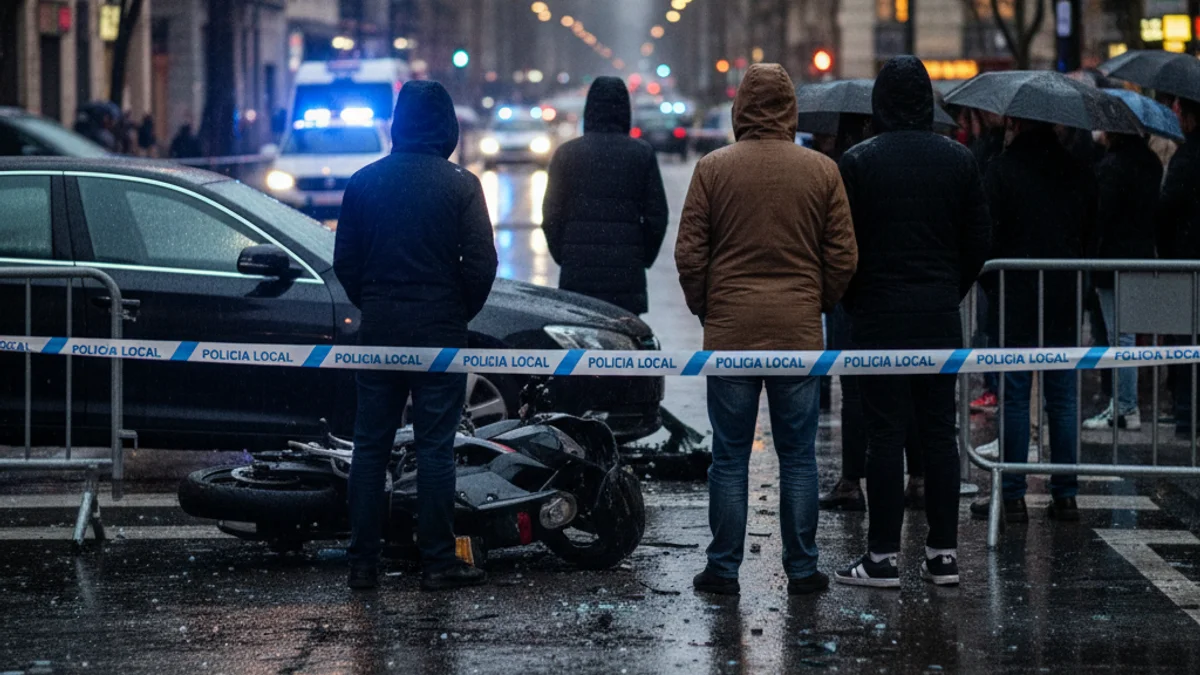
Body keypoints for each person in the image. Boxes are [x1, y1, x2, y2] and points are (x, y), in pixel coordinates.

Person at [676, 63, 857, 597]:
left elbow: (690, 254)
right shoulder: (821, 171)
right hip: (798, 335)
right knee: (797, 456)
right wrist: (815, 302)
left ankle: (724, 568)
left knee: (728, 455)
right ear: (790, 109)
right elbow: (843, 256)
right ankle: (802, 568)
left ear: (739, 108)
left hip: (730, 333)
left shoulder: (713, 169)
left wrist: (708, 307)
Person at [832, 56, 990, 589]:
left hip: (878, 319)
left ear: (879, 102)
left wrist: (857, 299)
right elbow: (977, 244)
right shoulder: (959, 160)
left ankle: (881, 557)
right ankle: (942, 553)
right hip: (939, 319)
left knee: (884, 435)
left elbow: (843, 247)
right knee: (939, 434)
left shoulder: (857, 162)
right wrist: (948, 290)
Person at [334, 81, 498, 591]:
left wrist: (377, 306)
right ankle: (437, 560)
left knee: (370, 447)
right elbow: (482, 264)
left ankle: (363, 562)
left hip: (380, 331)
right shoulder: (460, 185)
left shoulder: (363, 182)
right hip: (440, 336)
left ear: (397, 124)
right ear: (447, 127)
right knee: (434, 448)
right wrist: (455, 311)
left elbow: (346, 264)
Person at [969, 117, 1097, 525]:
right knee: (1062, 398)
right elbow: (1089, 233)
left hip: (1016, 296)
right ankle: (1065, 495)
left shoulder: (1002, 170)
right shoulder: (1076, 170)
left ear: (1017, 123)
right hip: (1063, 296)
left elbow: (987, 235)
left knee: (1015, 397)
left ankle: (1012, 495)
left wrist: (994, 284)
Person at [817, 113, 926, 513]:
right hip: (905, 288)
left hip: (858, 290)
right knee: (912, 380)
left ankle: (852, 480)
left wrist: (833, 289)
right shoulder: (910, 162)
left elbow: (836, 238)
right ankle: (917, 477)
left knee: (856, 389)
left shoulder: (849, 167)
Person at [541, 76, 669, 315]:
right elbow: (657, 217)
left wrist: (566, 256)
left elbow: (551, 216)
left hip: (578, 274)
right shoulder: (641, 154)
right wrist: (641, 257)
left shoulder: (567, 154)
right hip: (625, 275)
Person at [1082, 131, 1162, 432]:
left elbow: (1101, 215)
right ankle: (1125, 404)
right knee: (1126, 335)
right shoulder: (1150, 162)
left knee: (1119, 337)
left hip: (1112, 259)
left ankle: (1125, 406)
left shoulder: (1112, 166)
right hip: (1140, 257)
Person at [1158, 96, 1200, 437]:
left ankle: (1187, 416)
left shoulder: (1187, 158)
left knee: (1185, 344)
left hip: (1186, 260)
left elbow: (1168, 208)